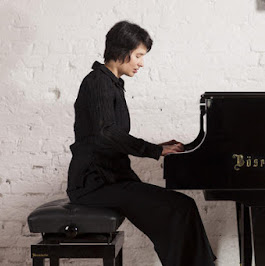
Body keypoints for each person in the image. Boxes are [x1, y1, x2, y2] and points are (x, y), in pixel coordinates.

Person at [66, 21, 216, 266]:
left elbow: (109, 138)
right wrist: (155, 150)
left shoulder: (110, 84)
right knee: (178, 209)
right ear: (120, 51)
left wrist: (158, 146)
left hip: (110, 179)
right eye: (138, 55)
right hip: (93, 184)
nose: (141, 63)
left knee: (182, 207)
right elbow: (106, 133)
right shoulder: (97, 82)